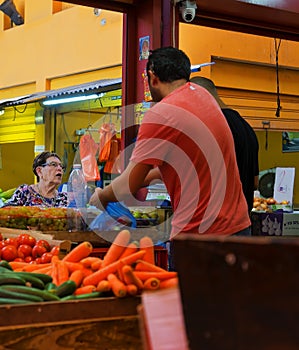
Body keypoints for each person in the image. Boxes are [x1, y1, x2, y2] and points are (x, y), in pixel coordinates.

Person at [90, 46, 251, 242]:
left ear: (152, 77)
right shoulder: (203, 95)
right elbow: (189, 165)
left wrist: (102, 197)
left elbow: (126, 186)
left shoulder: (161, 113)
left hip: (200, 237)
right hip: (239, 228)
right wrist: (144, 178)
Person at [190, 76, 259, 213]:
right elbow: (255, 183)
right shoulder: (247, 128)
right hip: (242, 221)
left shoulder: (214, 125)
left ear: (200, 95)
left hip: (217, 221)